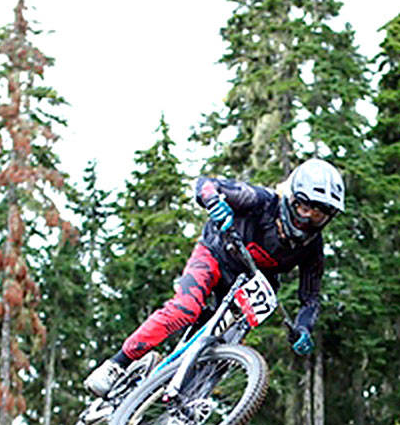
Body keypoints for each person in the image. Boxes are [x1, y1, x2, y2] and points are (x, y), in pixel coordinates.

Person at [83, 157, 346, 397]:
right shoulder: (261, 201)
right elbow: (207, 184)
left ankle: (185, 400)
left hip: (251, 284)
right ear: (291, 199)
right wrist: (214, 202)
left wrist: (303, 327)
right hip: (215, 254)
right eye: (305, 208)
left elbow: (310, 297)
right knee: (185, 309)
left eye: (320, 213)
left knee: (226, 346)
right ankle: (116, 365)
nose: (310, 219)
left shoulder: (313, 249)